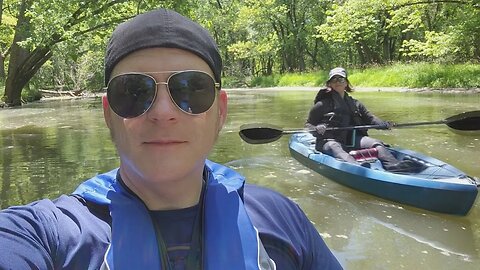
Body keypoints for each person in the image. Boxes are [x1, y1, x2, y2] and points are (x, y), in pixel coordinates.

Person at [0, 9, 343, 270]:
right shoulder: (47, 234)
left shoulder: (283, 220)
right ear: (108, 114)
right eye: (134, 91)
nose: (163, 112)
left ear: (220, 113)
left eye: (191, 89)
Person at [306, 67, 422, 172]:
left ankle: (393, 166)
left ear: (346, 83)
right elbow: (309, 124)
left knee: (376, 144)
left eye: (340, 79)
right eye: (334, 80)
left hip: (351, 139)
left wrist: (384, 124)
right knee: (334, 147)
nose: (337, 82)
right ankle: (357, 168)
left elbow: (370, 118)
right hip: (329, 140)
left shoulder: (355, 104)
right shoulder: (322, 105)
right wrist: (316, 128)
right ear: (330, 84)